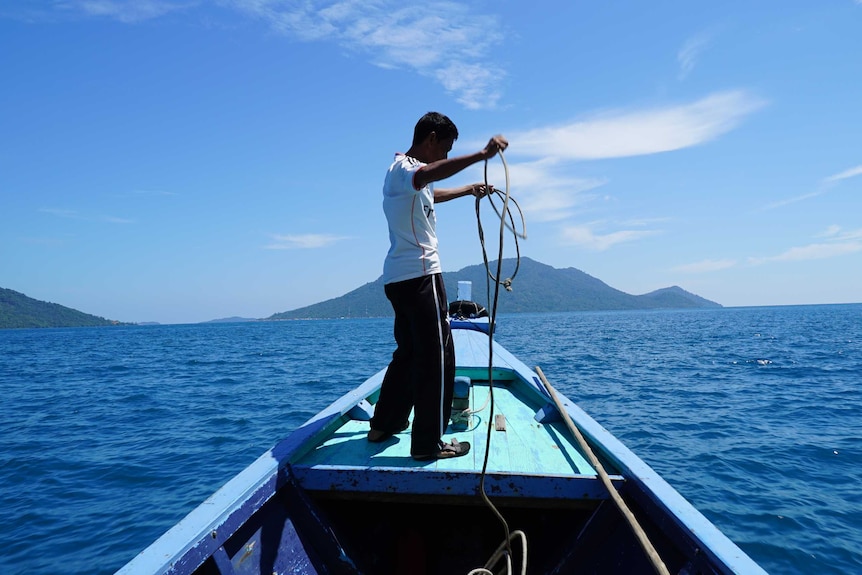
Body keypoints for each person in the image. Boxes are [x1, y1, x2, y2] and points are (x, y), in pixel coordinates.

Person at [368, 111, 508, 460]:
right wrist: (481, 156)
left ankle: (384, 423)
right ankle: (428, 443)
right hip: (421, 276)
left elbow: (431, 188)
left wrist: (468, 190)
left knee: (408, 354)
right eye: (444, 150)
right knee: (437, 358)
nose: (444, 158)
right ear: (430, 139)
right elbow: (429, 175)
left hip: (399, 279)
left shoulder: (401, 175)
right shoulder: (408, 170)